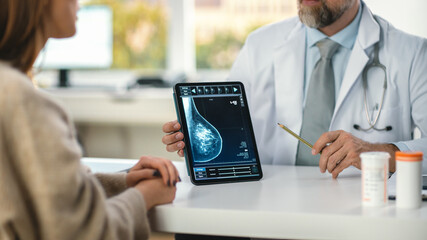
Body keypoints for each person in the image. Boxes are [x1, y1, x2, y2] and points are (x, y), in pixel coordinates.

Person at [163, 0, 427, 182]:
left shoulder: (412, 54)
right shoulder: (260, 45)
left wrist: (377, 153)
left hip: (367, 211)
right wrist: (198, 142)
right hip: (274, 209)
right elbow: (229, 133)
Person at [0, 0, 180, 239]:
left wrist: (125, 182)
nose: (79, 4)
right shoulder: (27, 104)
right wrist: (146, 195)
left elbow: (44, 195)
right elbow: (88, 233)